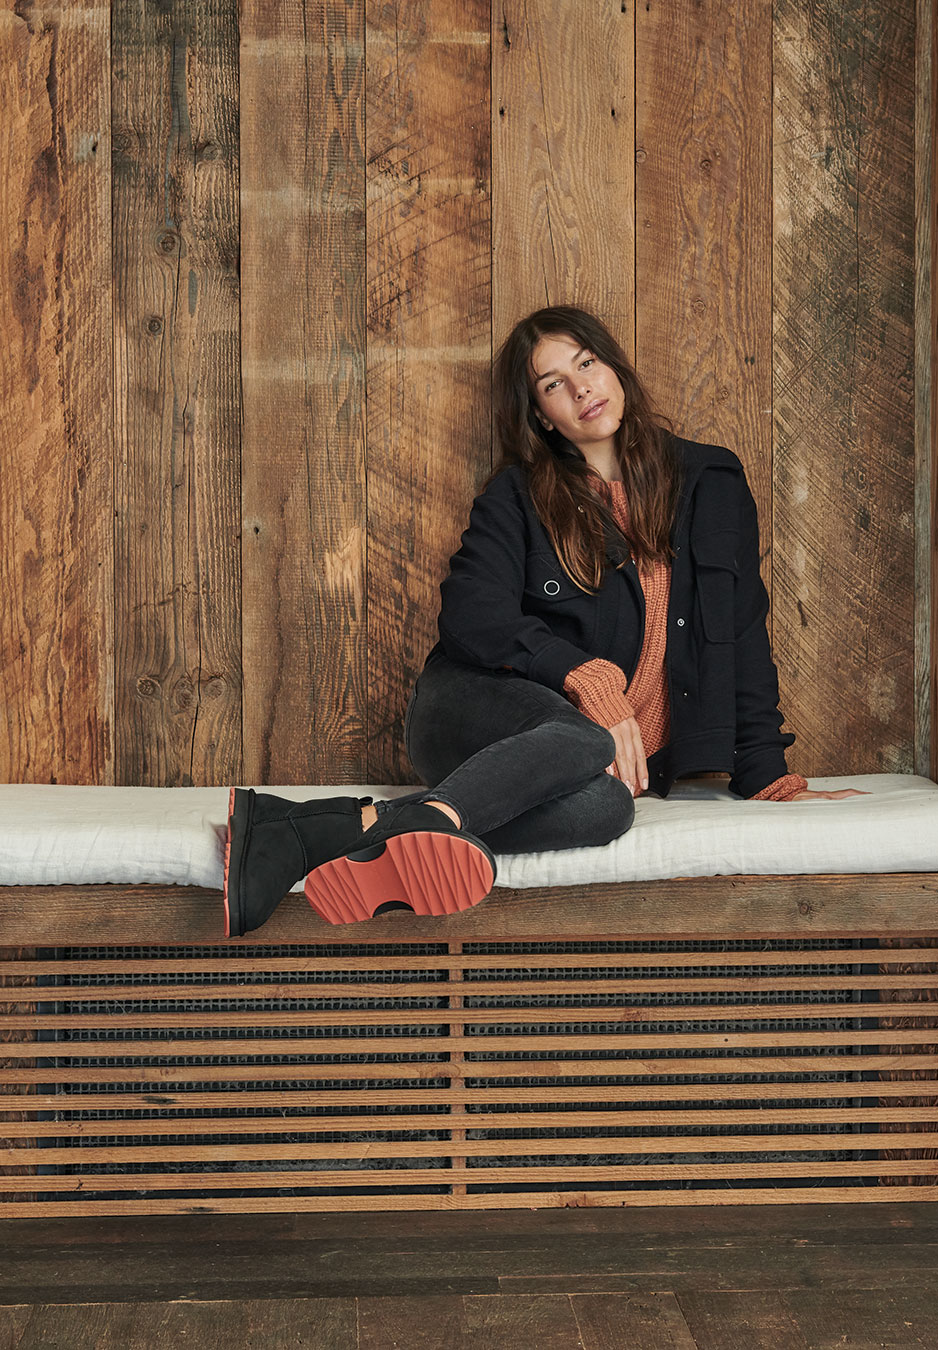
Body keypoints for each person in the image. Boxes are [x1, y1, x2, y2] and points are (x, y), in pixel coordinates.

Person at [223, 305, 865, 937]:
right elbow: (471, 615)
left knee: (606, 808)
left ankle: (320, 831)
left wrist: (769, 776)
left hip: (573, 766)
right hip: (466, 710)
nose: (581, 387)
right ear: (541, 416)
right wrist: (582, 675)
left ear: (615, 368)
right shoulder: (517, 498)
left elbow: (742, 633)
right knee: (587, 734)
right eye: (553, 383)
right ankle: (348, 829)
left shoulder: (711, 481)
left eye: (587, 363)